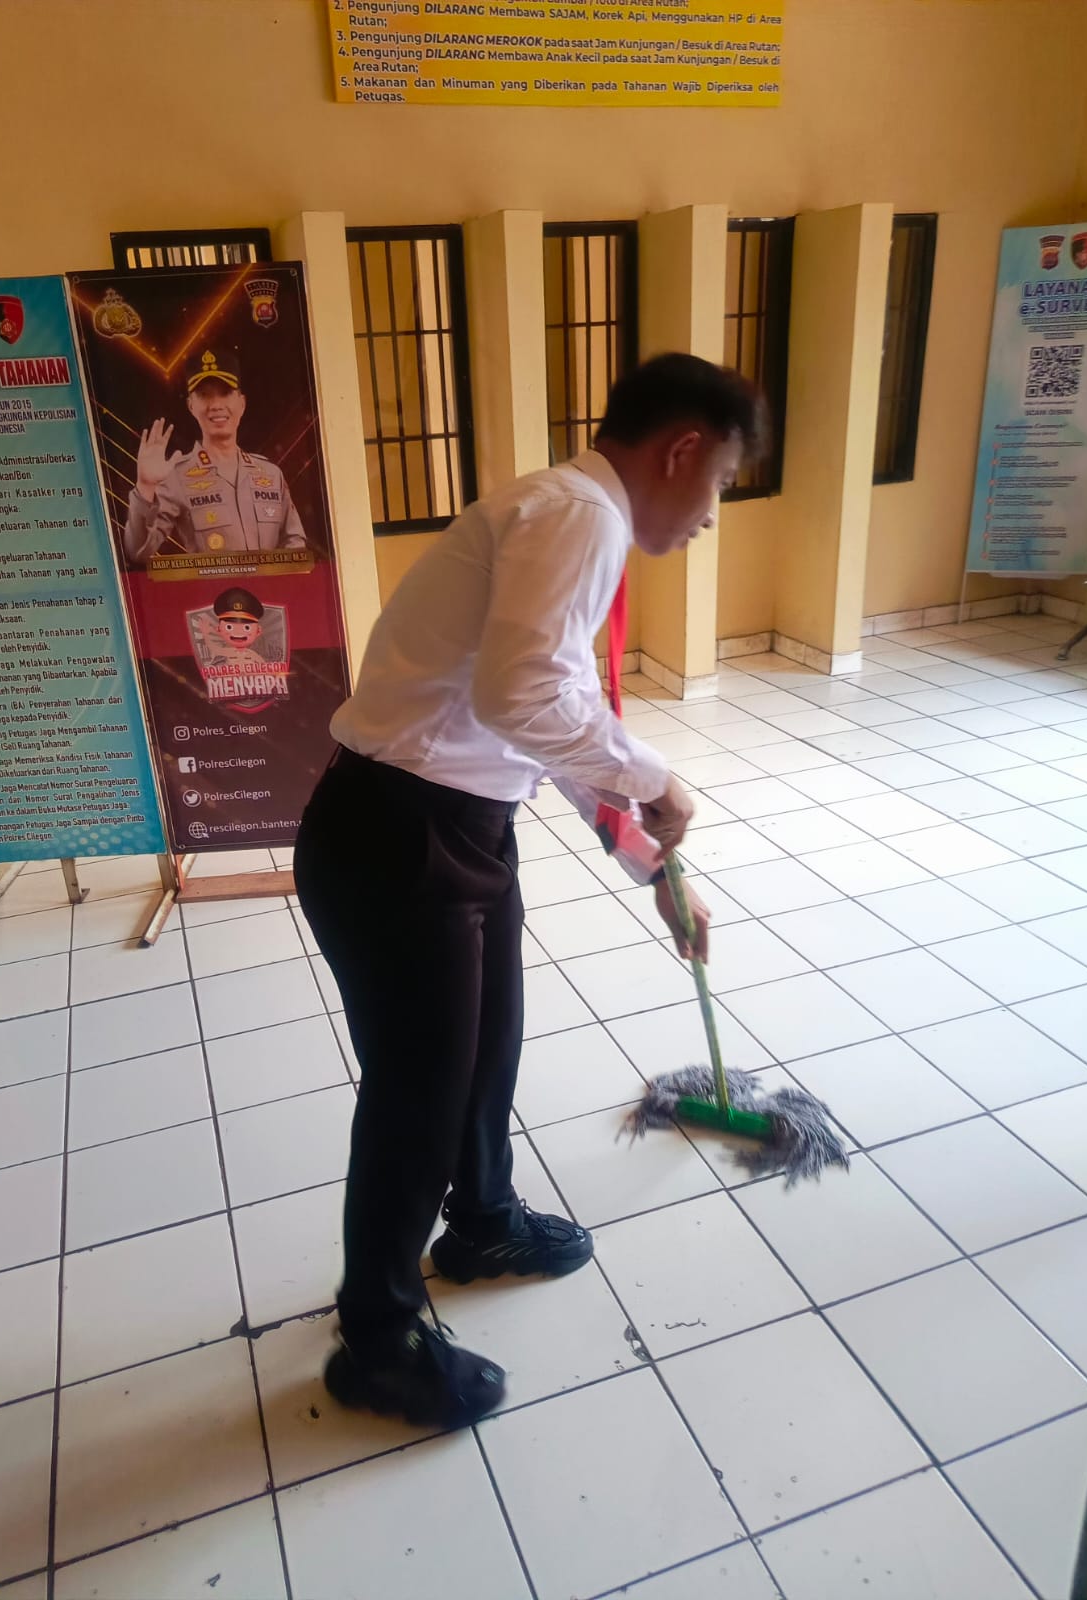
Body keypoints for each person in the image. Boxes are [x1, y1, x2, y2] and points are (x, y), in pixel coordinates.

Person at [293, 353, 765, 1431]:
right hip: (400, 836)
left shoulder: (567, 514)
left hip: (449, 828)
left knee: (484, 1049)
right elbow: (527, 698)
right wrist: (655, 776)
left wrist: (654, 869)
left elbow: (552, 722)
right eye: (721, 484)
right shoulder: (580, 516)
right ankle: (379, 1339)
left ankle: (482, 1221)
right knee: (418, 1091)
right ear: (682, 450)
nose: (711, 515)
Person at [124, 347, 308, 565]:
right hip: (211, 588)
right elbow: (138, 552)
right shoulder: (177, 477)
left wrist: (279, 578)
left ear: (242, 403)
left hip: (271, 588)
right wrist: (145, 487)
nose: (216, 405)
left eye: (225, 393)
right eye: (204, 395)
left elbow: (295, 543)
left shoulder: (271, 474)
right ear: (191, 405)